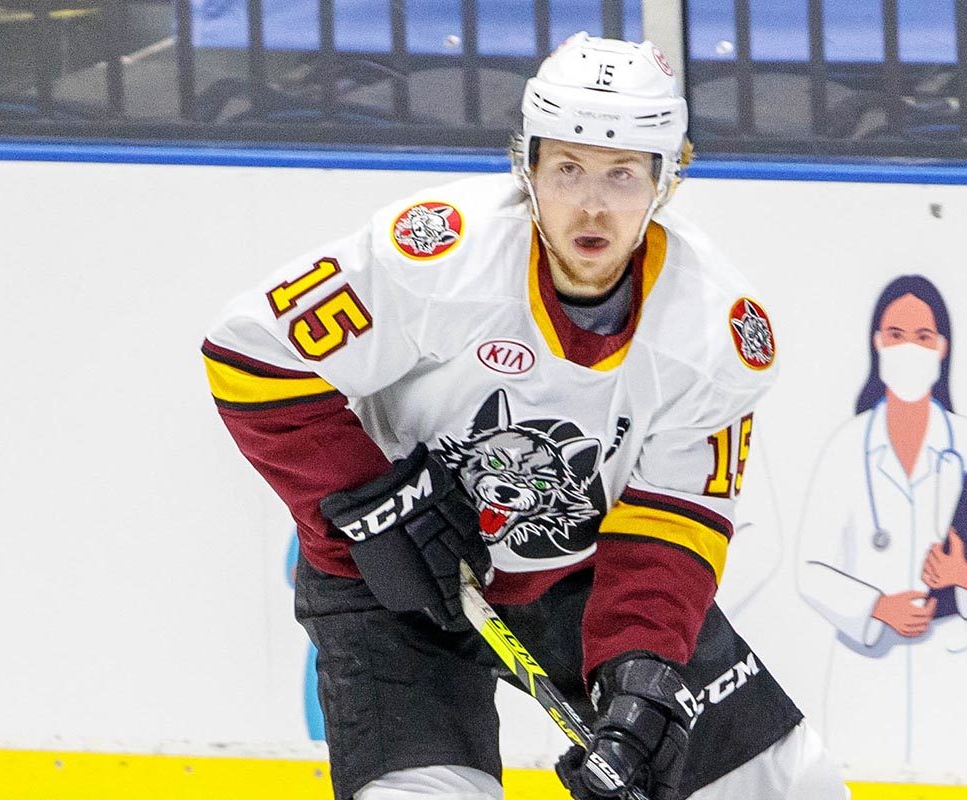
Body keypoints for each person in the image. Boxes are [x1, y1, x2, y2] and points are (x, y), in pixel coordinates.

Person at [203, 32, 845, 800]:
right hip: (389, 585)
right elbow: (251, 355)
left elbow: (673, 524)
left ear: (668, 178)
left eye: (622, 174)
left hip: (579, 577)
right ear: (527, 164)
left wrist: (638, 680)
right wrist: (374, 507)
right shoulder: (436, 257)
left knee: (791, 786)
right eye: (568, 168)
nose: (592, 204)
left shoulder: (715, 334)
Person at [796, 275, 967, 769]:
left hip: (945, 667)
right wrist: (876, 607)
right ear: (876, 342)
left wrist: (965, 577)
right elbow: (810, 569)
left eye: (923, 336)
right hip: (865, 672)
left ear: (942, 348)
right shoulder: (846, 446)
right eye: (896, 335)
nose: (909, 348)